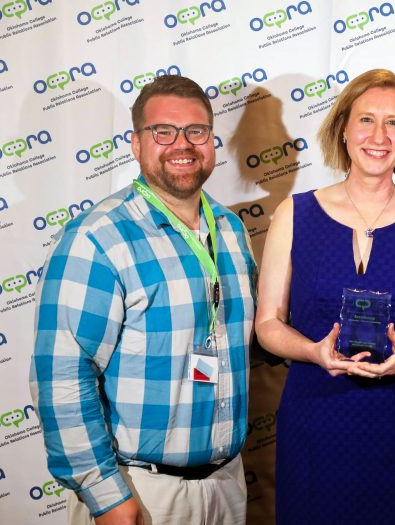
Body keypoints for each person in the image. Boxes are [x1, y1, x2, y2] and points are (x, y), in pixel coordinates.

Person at [30, 75, 256, 525]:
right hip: (141, 492)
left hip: (227, 486)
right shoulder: (98, 238)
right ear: (136, 144)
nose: (182, 144)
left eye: (196, 131)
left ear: (211, 142)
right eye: (163, 132)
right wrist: (107, 496)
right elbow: (61, 378)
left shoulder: (231, 230)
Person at [255, 68, 395, 524]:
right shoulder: (294, 214)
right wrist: (310, 350)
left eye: (394, 123)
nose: (379, 136)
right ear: (343, 128)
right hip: (316, 428)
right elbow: (268, 323)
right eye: (367, 120)